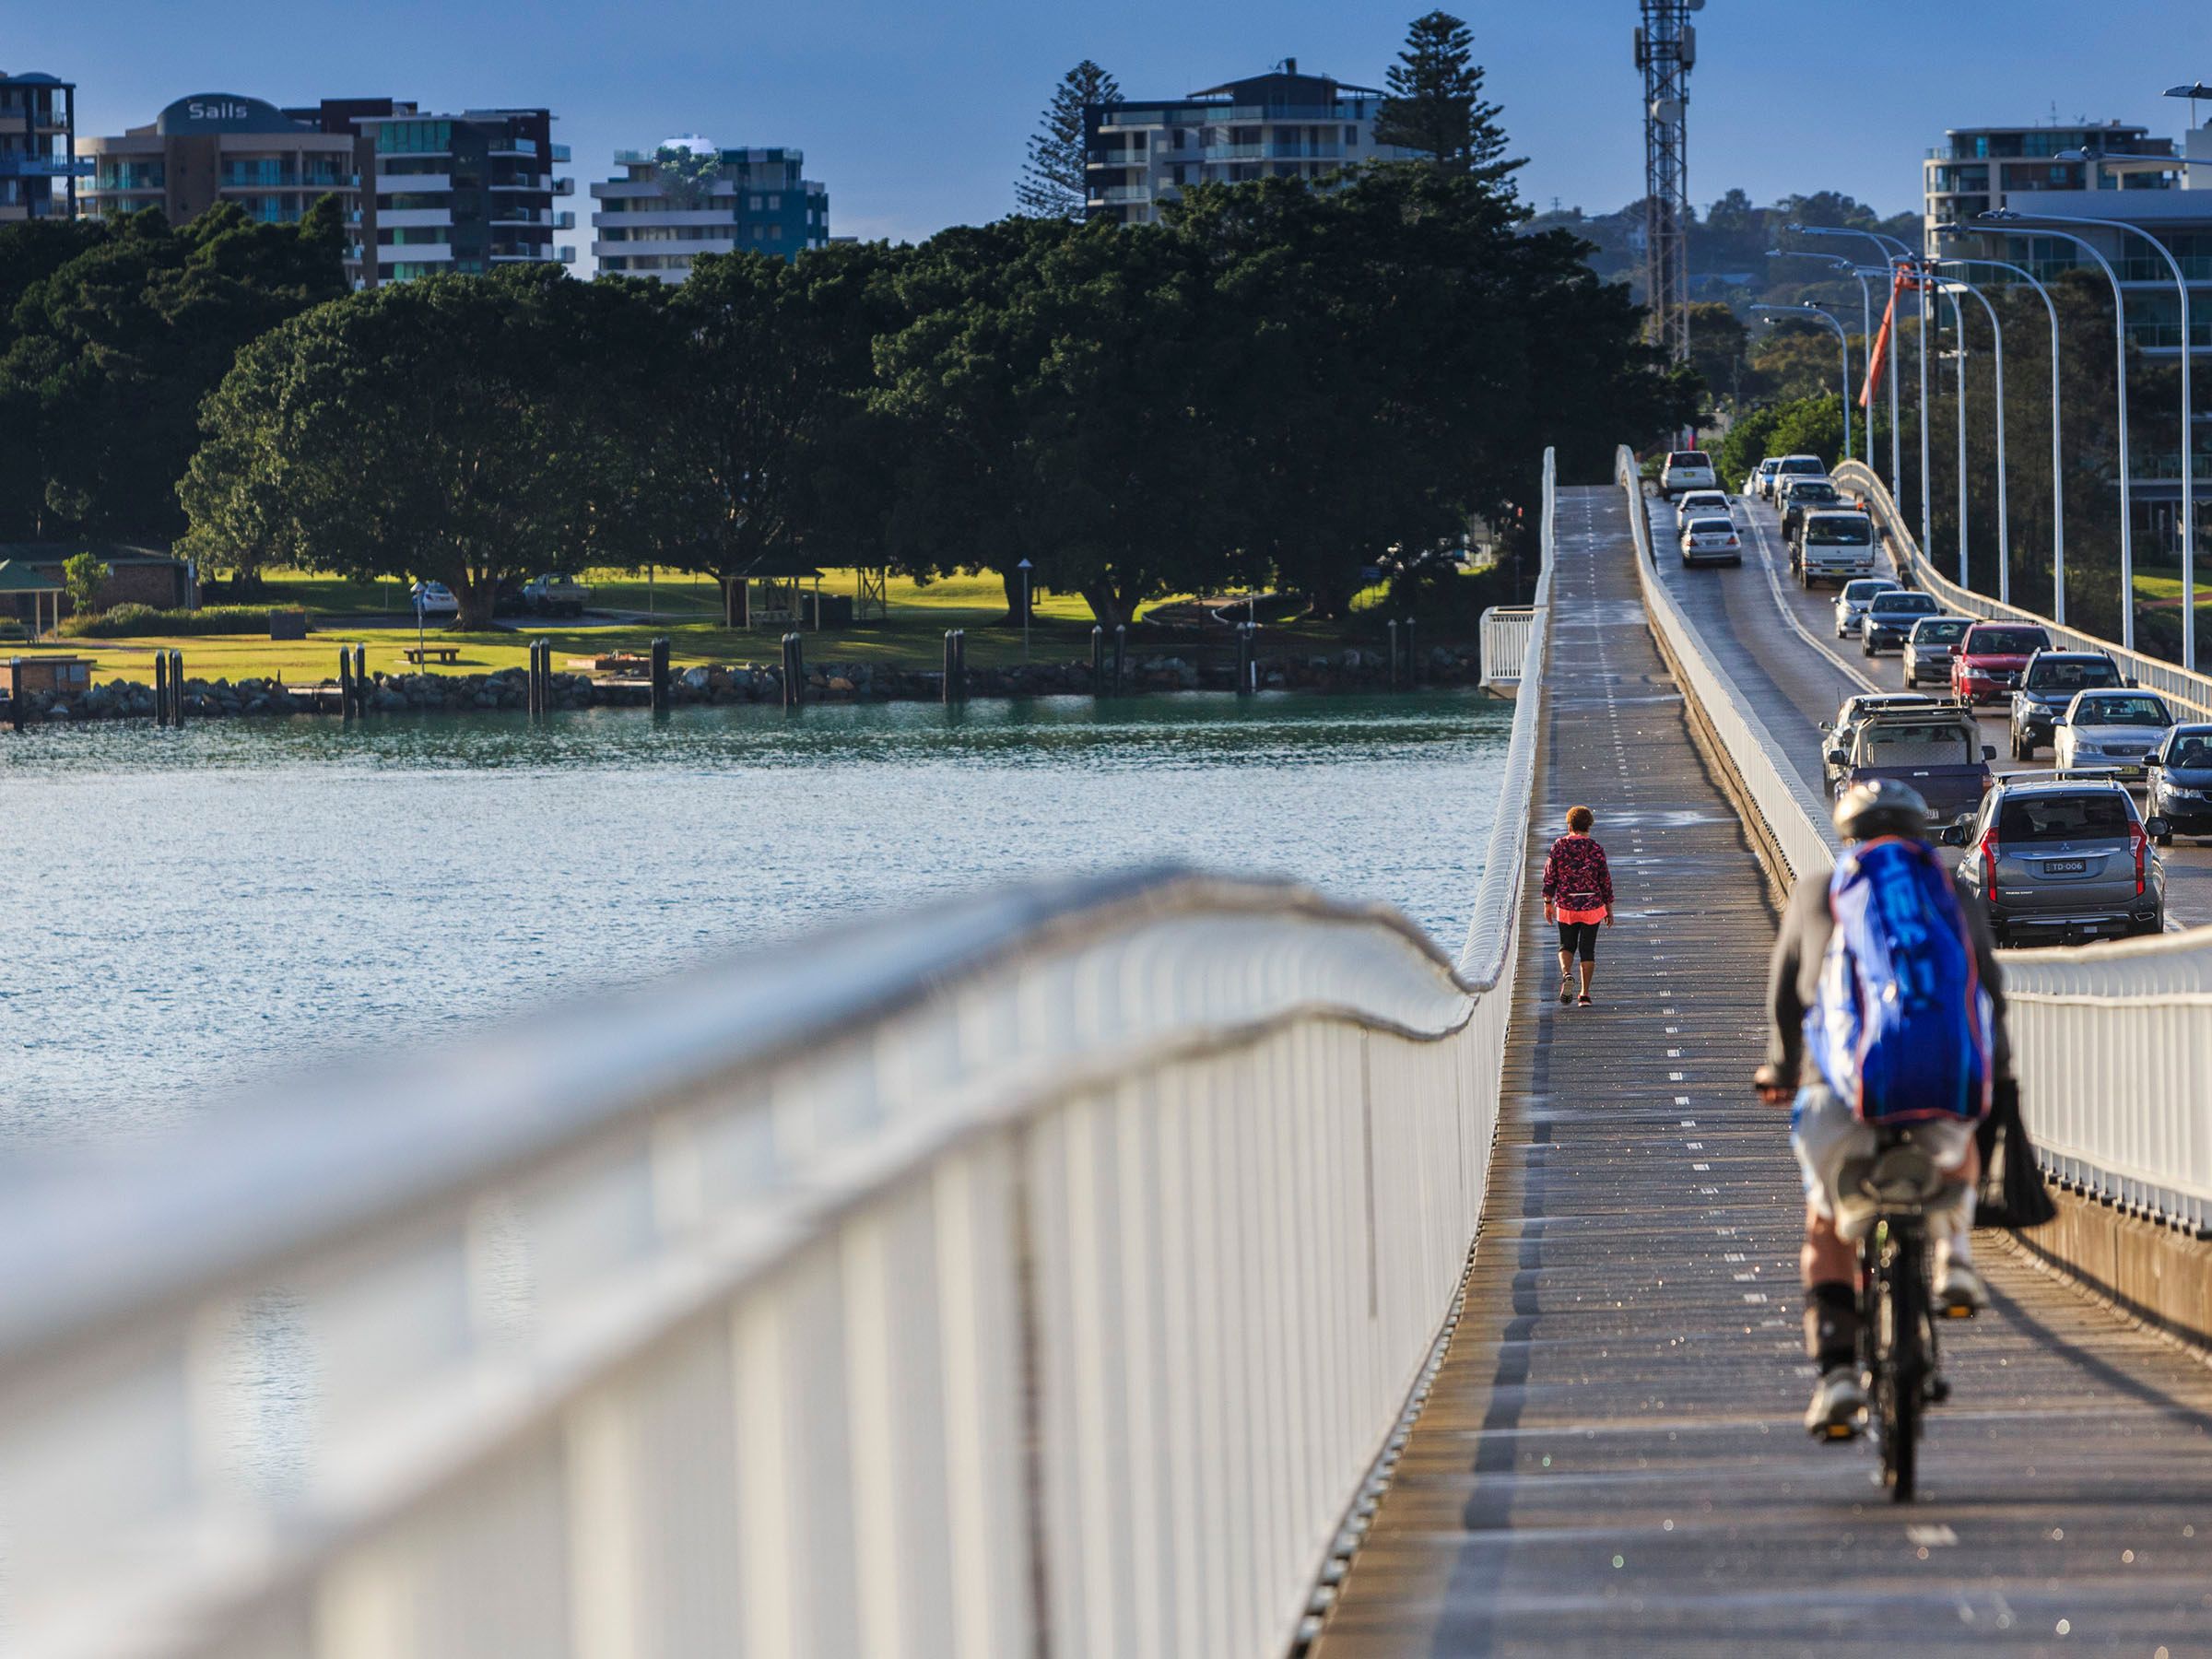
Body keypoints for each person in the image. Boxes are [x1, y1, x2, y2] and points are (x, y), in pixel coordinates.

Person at [1752, 779, 2012, 1438]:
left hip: (1841, 1101)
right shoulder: (1950, 893)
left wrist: (1782, 1070)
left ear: (1848, 835)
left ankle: (1838, 1376)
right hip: (1936, 1099)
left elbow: (1788, 1000)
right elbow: (1987, 990)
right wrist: (1996, 1066)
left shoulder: (1819, 893)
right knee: (1963, 1136)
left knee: (1824, 1223)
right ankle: (1954, 1256)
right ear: (1919, 831)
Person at [1542, 805, 1615, 1007]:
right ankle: (1584, 994)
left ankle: (1567, 974)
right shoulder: (1595, 848)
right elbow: (1604, 880)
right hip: (1592, 905)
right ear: (1589, 825)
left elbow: (1550, 876)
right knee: (1587, 949)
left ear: (1569, 824)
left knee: (1566, 944)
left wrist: (1547, 902)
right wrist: (1608, 907)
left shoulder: (1559, 846)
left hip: (1566, 904)